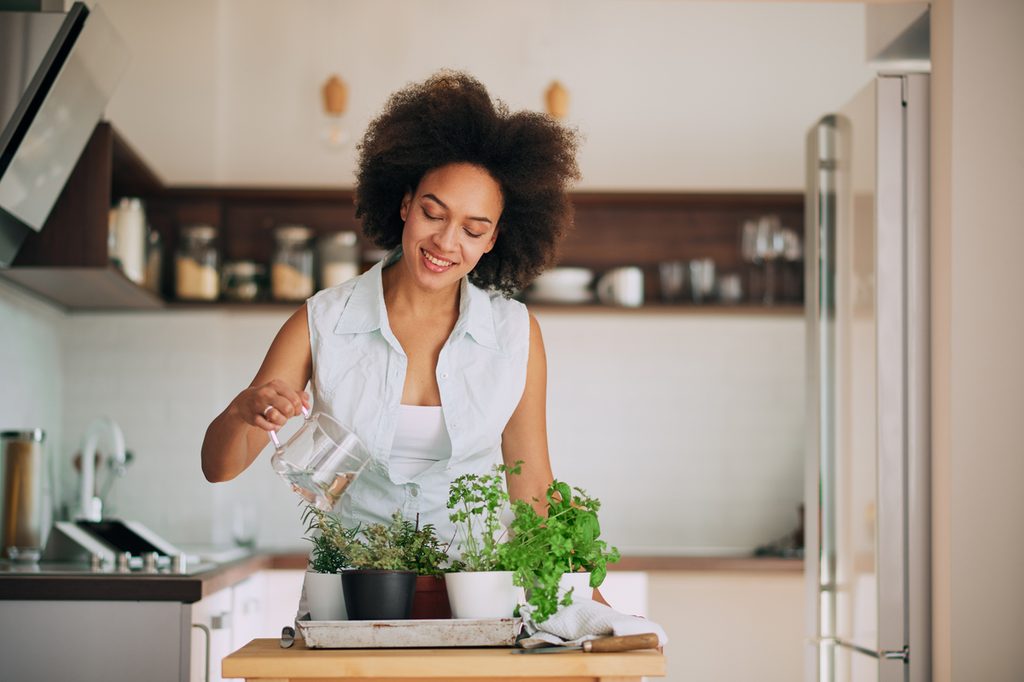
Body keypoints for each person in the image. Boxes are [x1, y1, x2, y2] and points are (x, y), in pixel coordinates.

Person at [201, 71, 580, 550]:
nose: (445, 241)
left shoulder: (516, 334)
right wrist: (243, 410)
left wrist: (588, 600)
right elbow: (220, 468)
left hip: (473, 598)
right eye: (433, 213)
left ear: (493, 240)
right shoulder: (321, 321)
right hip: (351, 596)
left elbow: (534, 490)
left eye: (472, 228)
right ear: (405, 205)